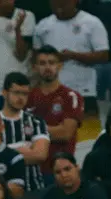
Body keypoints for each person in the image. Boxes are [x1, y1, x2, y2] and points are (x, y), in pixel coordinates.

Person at [32, 0, 110, 105]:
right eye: (55, 3)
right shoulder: (42, 25)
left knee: (88, 121)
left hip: (83, 91)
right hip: (51, 91)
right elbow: (35, 57)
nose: (59, 6)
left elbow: (104, 55)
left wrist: (73, 55)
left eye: (64, 3)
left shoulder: (92, 22)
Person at [27, 45, 85, 182]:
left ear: (60, 66)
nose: (47, 67)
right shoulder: (27, 97)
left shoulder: (71, 96)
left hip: (60, 173)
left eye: (51, 63)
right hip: (30, 169)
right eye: (42, 63)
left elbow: (65, 133)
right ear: (34, 67)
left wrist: (32, 130)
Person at [0, 72, 50, 193]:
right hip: (1, 192)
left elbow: (40, 155)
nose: (21, 98)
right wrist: (21, 148)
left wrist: (5, 151)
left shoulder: (36, 122)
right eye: (16, 93)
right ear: (4, 93)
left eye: (25, 94)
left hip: (33, 189)